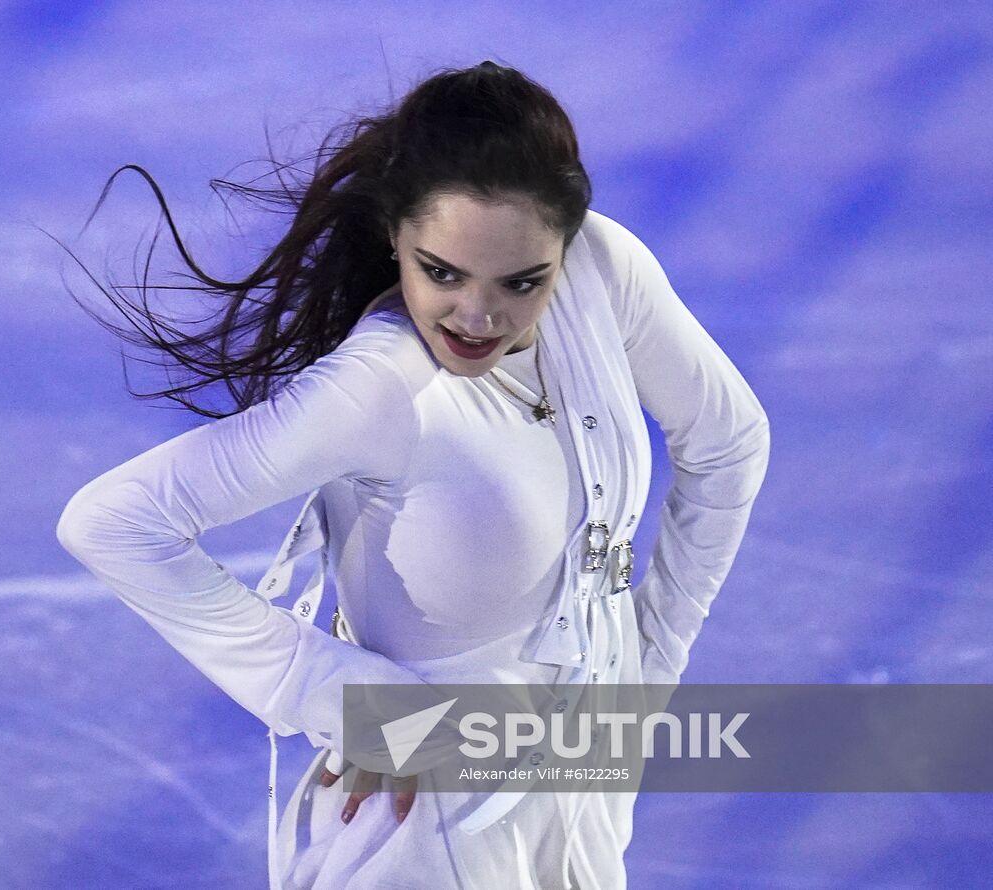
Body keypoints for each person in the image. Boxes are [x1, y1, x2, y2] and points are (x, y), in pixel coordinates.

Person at [55, 60, 770, 890]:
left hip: (582, 802)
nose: (477, 316)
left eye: (522, 282)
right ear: (396, 235)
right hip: (423, 825)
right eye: (442, 273)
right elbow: (112, 522)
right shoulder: (377, 385)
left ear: (563, 253)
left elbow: (730, 441)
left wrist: (652, 661)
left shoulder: (604, 275)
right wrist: (350, 701)